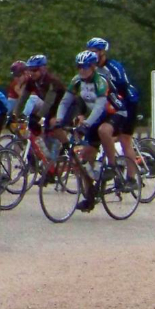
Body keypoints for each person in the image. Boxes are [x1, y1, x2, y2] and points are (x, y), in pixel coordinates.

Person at [55, 51, 129, 212]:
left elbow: (99, 106)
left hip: (115, 113)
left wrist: (87, 123)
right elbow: (65, 101)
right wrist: (59, 120)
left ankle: (112, 164)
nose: (82, 70)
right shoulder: (77, 81)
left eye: (86, 66)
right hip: (96, 117)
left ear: (94, 66)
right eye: (79, 66)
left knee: (103, 131)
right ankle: (90, 197)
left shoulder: (101, 81)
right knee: (84, 159)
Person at [87, 38, 139, 184]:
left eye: (94, 52)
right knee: (105, 134)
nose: (92, 55)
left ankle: (131, 178)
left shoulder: (113, 67)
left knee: (124, 139)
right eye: (89, 52)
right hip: (108, 105)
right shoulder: (91, 68)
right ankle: (111, 164)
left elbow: (122, 87)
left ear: (102, 52)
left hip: (127, 102)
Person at [11, 54, 67, 178]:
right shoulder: (32, 81)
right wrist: (15, 114)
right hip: (51, 108)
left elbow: (49, 102)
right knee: (36, 130)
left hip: (63, 106)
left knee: (52, 124)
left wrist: (40, 116)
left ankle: (65, 148)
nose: (32, 73)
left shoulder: (51, 81)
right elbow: (23, 99)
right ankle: (46, 163)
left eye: (35, 70)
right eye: (30, 70)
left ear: (43, 69)